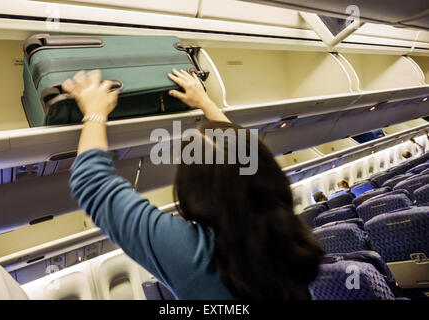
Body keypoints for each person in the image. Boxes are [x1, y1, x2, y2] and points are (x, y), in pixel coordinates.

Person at [64, 69, 324, 300]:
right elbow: (242, 167)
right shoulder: (285, 238)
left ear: (194, 197)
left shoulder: (194, 255)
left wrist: (95, 113)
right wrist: (205, 103)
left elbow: (93, 182)